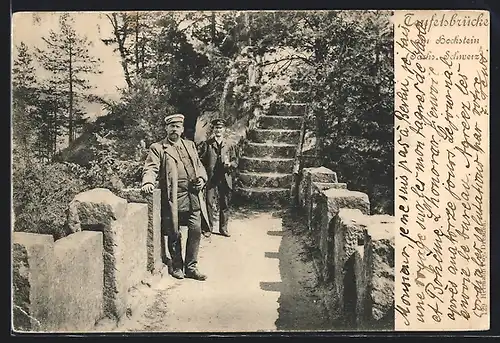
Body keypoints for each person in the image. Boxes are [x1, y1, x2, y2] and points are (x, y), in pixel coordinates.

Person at [141, 113, 211, 281]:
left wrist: (202, 179)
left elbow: (199, 166)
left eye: (177, 127)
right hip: (174, 198)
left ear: (181, 129)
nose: (174, 130)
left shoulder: (190, 145)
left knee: (195, 230)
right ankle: (177, 265)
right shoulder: (158, 148)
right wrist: (148, 181)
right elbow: (150, 168)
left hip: (193, 196)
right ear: (166, 128)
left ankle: (191, 267)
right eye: (171, 126)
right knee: (175, 232)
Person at [198, 118, 238, 238]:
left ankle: (223, 228)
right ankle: (208, 228)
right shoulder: (207, 144)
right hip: (211, 179)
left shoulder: (230, 145)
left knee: (224, 203)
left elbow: (235, 161)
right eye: (216, 128)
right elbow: (201, 161)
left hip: (225, 177)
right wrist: (203, 174)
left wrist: (230, 164)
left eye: (220, 128)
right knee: (209, 202)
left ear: (224, 129)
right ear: (213, 130)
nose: (218, 130)